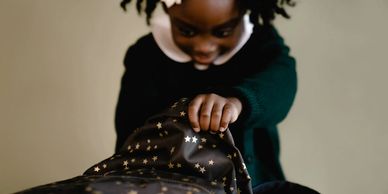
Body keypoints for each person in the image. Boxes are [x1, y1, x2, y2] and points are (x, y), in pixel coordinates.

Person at [115, 0, 297, 187]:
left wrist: (238, 102)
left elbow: (282, 83)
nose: (204, 47)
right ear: (166, 8)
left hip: (257, 183)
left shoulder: (261, 44)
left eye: (222, 32)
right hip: (172, 186)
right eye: (187, 31)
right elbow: (130, 137)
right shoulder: (145, 56)